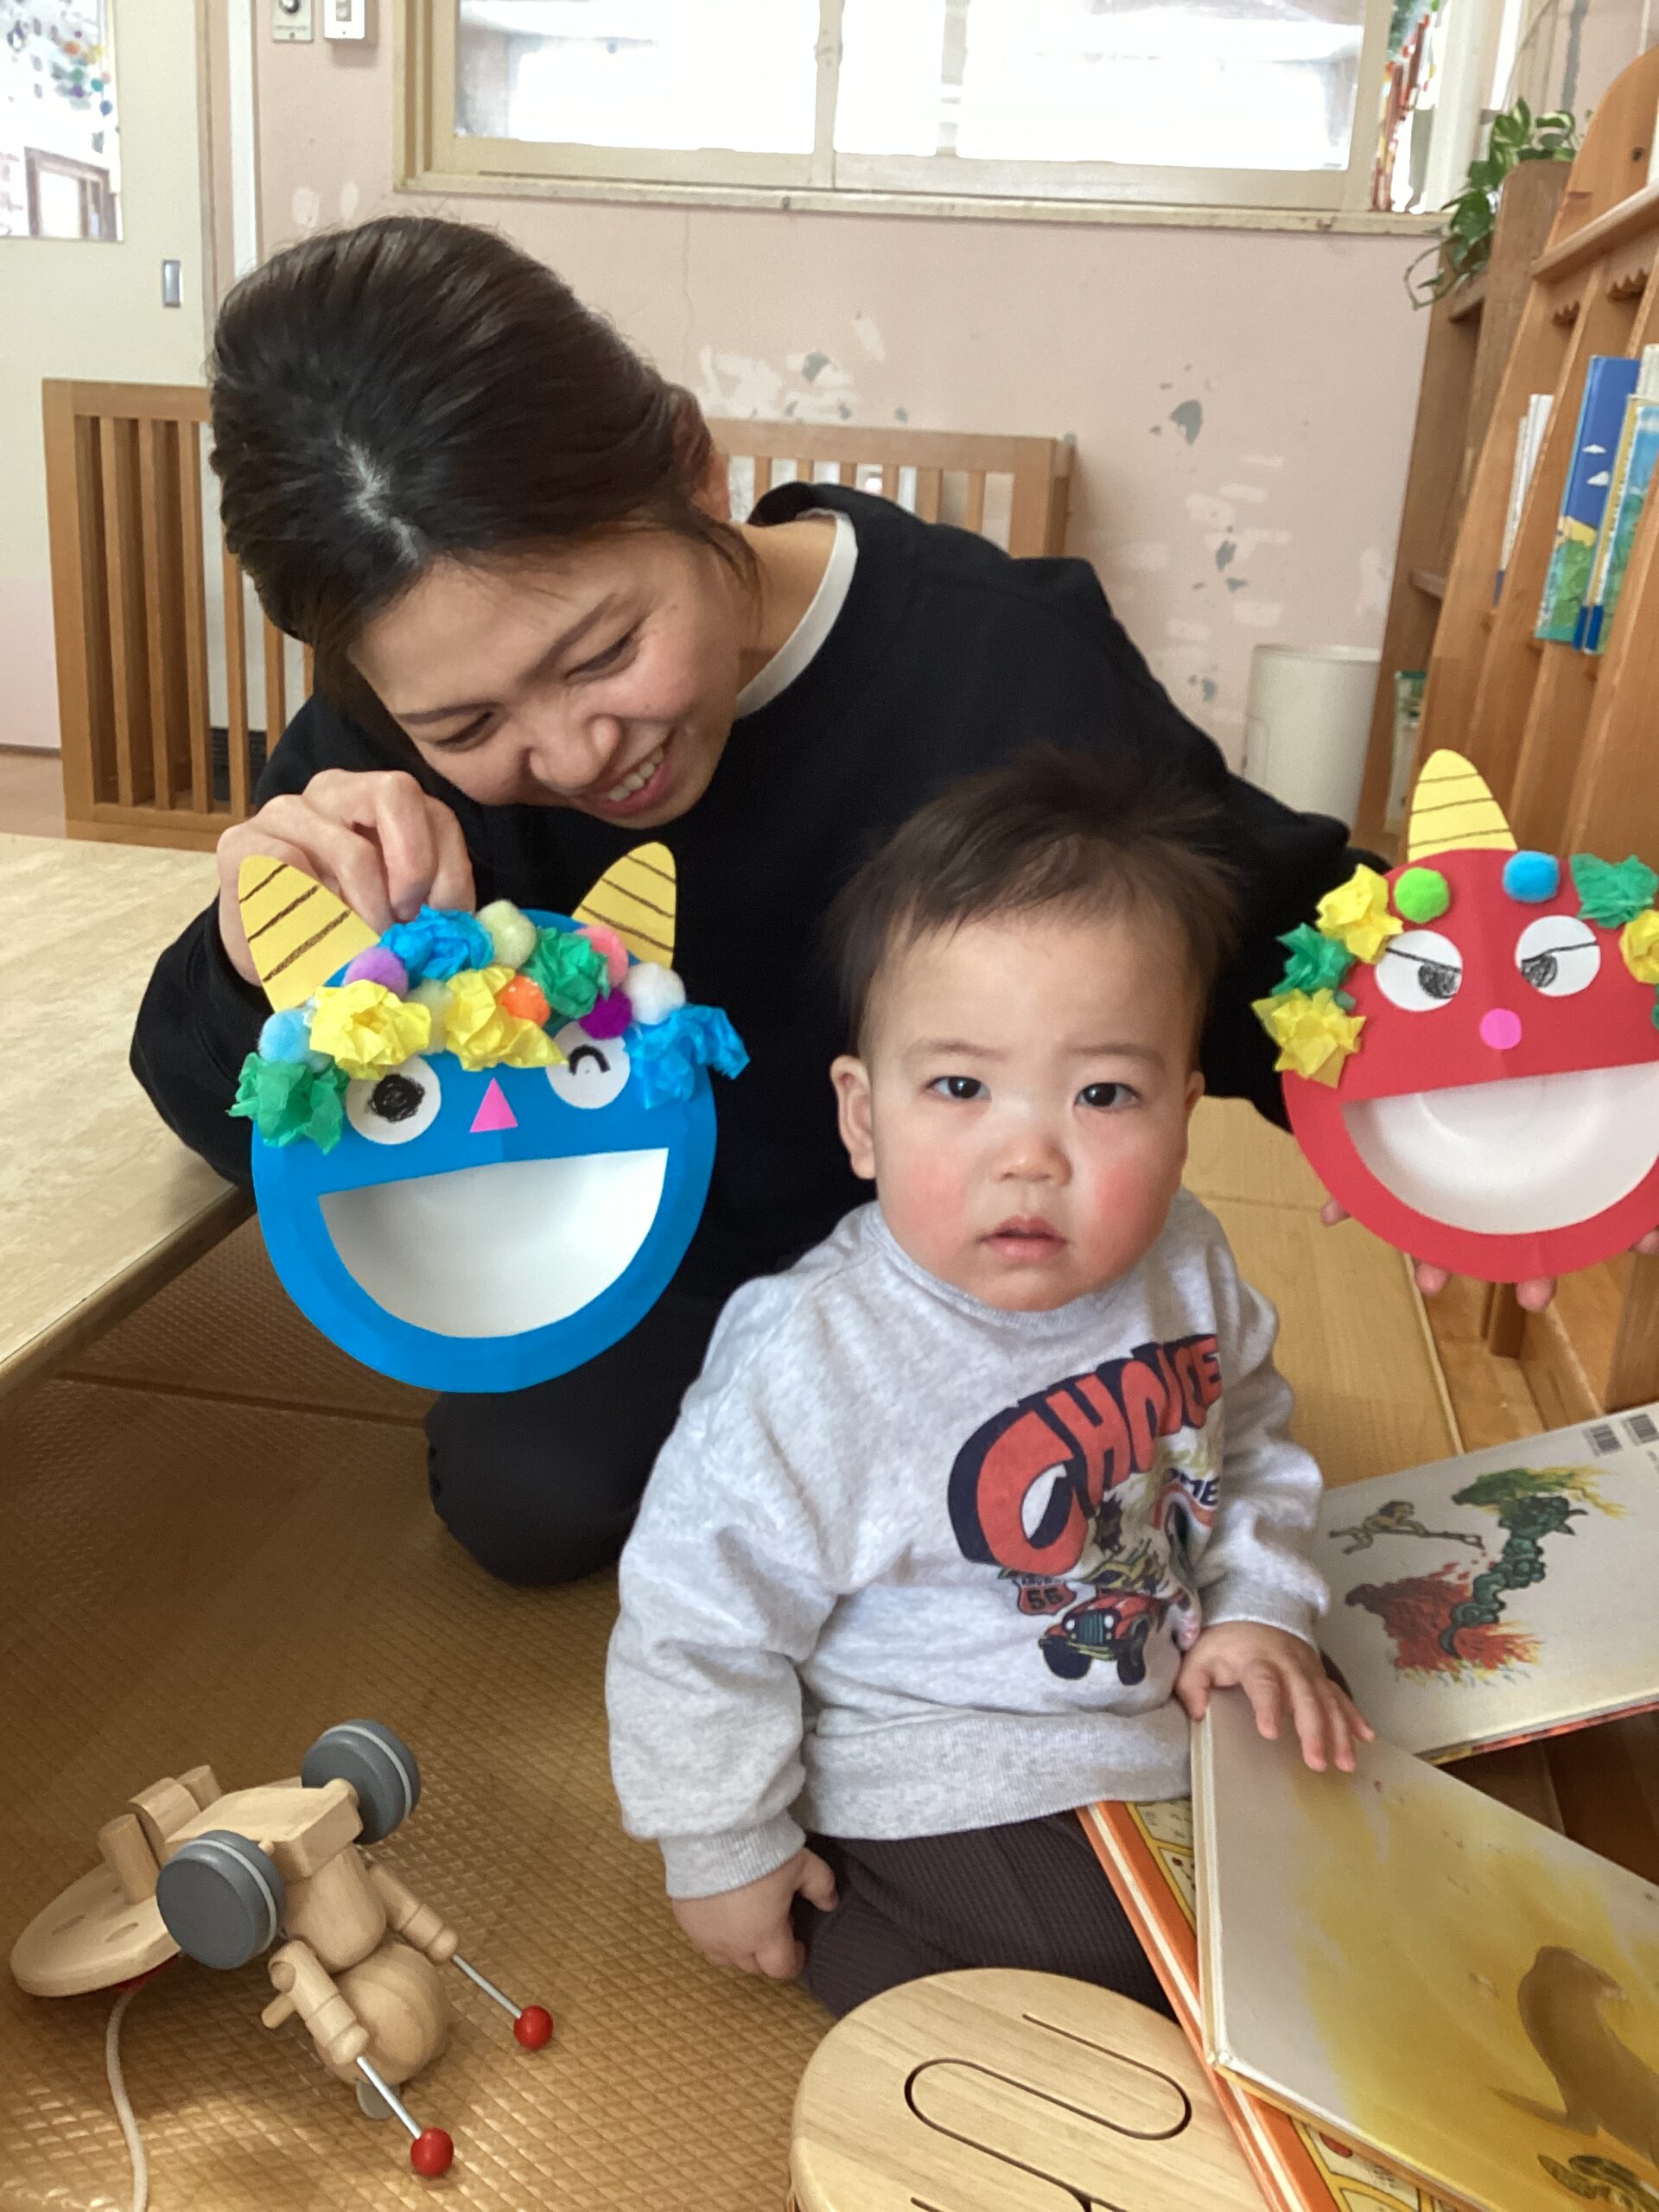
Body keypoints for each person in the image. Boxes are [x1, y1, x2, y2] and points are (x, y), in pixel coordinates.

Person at [132, 213, 1370, 1589]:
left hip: (994, 1224)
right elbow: (225, 1109)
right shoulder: (389, 749)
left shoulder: (997, 660)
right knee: (526, 1498)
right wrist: (261, 951)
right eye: (470, 722)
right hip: (664, 1266)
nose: (572, 753)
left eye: (603, 652)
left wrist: (1456, 1124)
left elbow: (1269, 938)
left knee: (1095, 1483)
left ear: (695, 468)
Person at [607, 751, 1370, 2016]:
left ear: (1186, 1113)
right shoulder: (816, 1355)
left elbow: (1250, 1449)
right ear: (864, 1118)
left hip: (1158, 1712)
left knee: (1352, 1800)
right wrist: (724, 1842)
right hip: (935, 1762)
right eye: (960, 1087)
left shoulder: (1185, 1263)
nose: (1030, 1155)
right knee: (1128, 1966)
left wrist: (1261, 1609)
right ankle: (888, 1959)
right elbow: (697, 1611)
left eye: (1104, 1094)